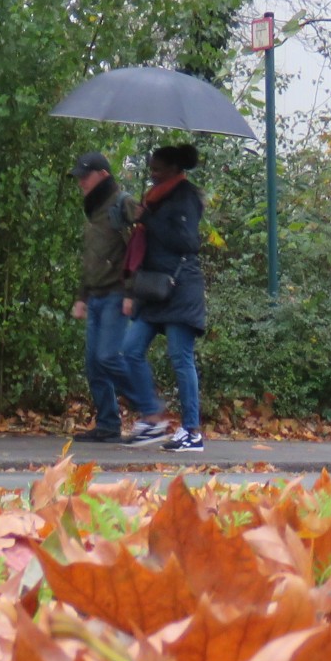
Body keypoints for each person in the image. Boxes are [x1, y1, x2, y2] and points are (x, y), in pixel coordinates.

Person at [121, 142, 208, 453]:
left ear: (174, 169)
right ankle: (152, 416)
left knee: (180, 357)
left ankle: (192, 430)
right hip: (154, 289)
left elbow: (187, 241)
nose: (153, 174)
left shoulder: (185, 196)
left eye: (158, 169)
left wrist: (149, 219)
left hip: (181, 287)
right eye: (151, 168)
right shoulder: (156, 197)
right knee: (129, 351)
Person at [68, 150, 141, 443]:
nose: (80, 182)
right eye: (79, 177)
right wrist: (82, 296)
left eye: (85, 176)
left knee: (108, 357)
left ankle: (149, 407)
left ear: (103, 175)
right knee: (93, 365)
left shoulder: (123, 204)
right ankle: (108, 424)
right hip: (97, 296)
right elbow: (93, 259)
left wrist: (132, 291)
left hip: (116, 294)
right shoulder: (95, 211)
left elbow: (141, 246)